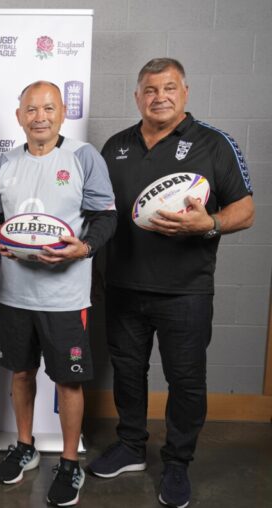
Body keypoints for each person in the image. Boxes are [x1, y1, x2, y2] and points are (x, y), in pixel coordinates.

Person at [87, 58, 254, 508]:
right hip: (123, 287)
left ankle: (178, 461)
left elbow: (246, 210)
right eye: (149, 89)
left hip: (185, 291)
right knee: (127, 371)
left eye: (169, 88)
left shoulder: (214, 144)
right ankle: (131, 446)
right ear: (137, 96)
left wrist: (210, 223)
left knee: (186, 380)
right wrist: (97, 272)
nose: (159, 96)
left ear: (185, 92)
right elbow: (102, 216)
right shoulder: (116, 146)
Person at [0, 81, 117, 506]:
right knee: (20, 373)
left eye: (49, 108)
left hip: (65, 297)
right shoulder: (4, 164)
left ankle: (71, 461)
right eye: (31, 109)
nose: (40, 116)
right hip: (15, 294)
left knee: (67, 382)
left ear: (62, 113)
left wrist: (86, 247)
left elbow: (105, 215)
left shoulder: (81, 156)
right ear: (19, 115)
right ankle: (25, 446)